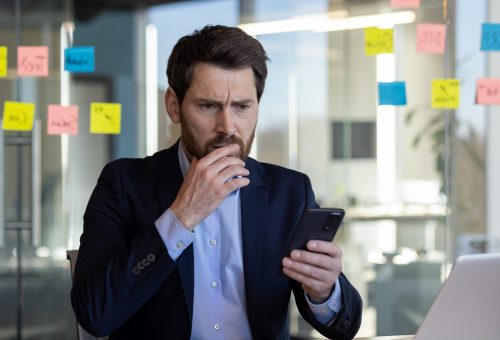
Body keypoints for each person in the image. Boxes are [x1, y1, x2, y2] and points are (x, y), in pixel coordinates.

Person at [71, 25, 362, 339]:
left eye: (242, 107)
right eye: (208, 106)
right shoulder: (123, 184)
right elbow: (95, 313)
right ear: (173, 106)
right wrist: (181, 217)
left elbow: (343, 326)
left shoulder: (289, 192)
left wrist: (323, 291)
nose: (228, 127)